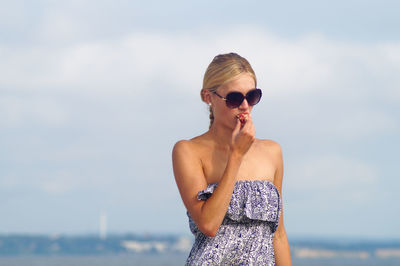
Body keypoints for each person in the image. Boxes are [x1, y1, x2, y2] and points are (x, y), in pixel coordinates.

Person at [172, 53, 292, 265]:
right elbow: (208, 224)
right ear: (208, 97)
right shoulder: (188, 151)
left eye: (252, 96)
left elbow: (279, 235)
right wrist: (236, 156)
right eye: (235, 99)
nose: (245, 106)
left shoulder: (272, 152)